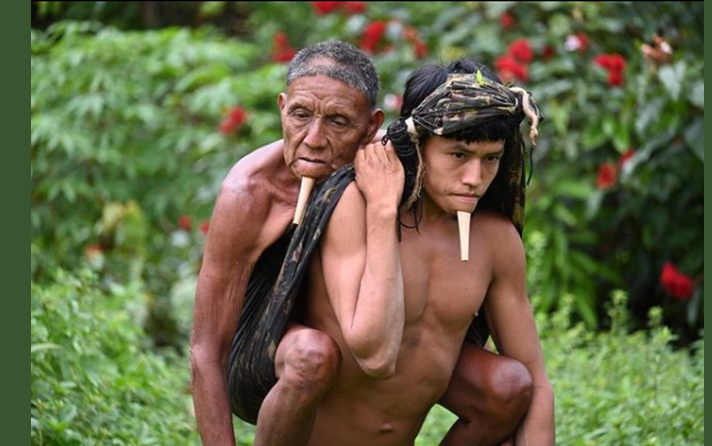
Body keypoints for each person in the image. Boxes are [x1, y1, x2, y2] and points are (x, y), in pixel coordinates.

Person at [190, 39, 533, 446]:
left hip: (370, 349)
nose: (314, 139)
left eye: (338, 122)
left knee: (506, 383)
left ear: (372, 127)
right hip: (278, 354)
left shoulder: (386, 168)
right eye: (301, 115)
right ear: (281, 106)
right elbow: (206, 350)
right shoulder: (251, 192)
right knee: (311, 356)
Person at [298, 59, 555, 445]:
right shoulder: (356, 205)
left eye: (491, 159)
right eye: (458, 155)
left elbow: (536, 382)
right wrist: (383, 210)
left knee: (512, 383)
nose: (474, 179)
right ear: (417, 146)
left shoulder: (495, 241)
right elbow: (374, 354)